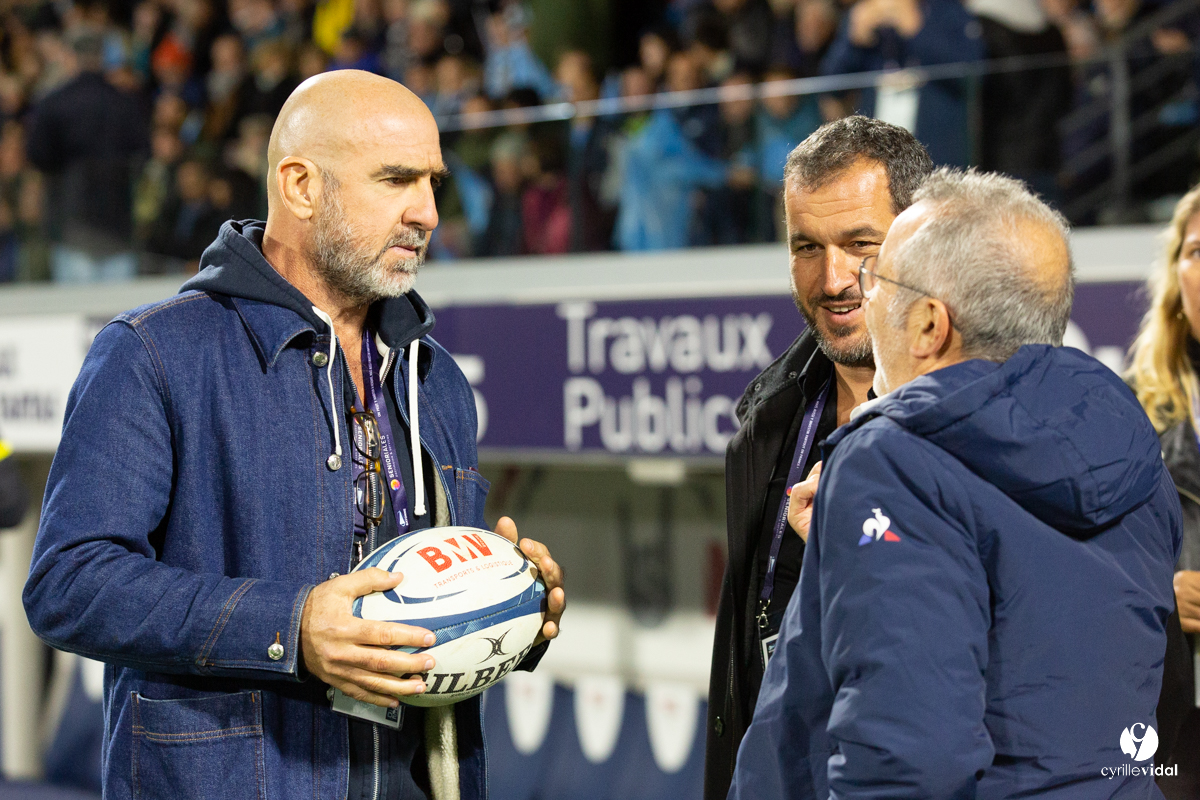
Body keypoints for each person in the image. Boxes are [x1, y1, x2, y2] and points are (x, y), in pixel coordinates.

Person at [23, 70, 565, 800]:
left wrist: (507, 613)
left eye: (434, 182)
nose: (428, 212)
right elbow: (70, 583)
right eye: (397, 179)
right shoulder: (154, 353)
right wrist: (291, 626)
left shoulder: (434, 380)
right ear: (301, 186)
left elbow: (423, 611)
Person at [730, 168, 1181, 798]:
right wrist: (844, 544)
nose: (861, 294)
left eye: (876, 279)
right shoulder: (1133, 449)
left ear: (929, 326)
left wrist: (872, 498)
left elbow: (907, 764)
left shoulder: (890, 462)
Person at [703, 115, 933, 800]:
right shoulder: (768, 422)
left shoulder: (994, 422)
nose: (833, 279)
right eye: (807, 246)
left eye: (861, 244)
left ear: (921, 237)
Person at [1128, 182, 1200, 799]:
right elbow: (1080, 564)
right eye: (1197, 250)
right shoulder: (1127, 409)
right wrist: (1157, 594)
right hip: (1165, 718)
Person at [25, 32, 147, 282]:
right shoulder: (125, 103)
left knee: (76, 310)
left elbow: (37, 156)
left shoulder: (54, 103)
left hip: (72, 223)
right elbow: (143, 153)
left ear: (71, 58)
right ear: (102, 57)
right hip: (118, 224)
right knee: (120, 313)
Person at [820, 0, 984, 167]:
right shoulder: (866, 10)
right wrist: (853, 41)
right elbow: (830, 85)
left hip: (936, 153)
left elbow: (972, 74)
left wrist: (916, 29)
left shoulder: (948, 10)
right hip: (876, 153)